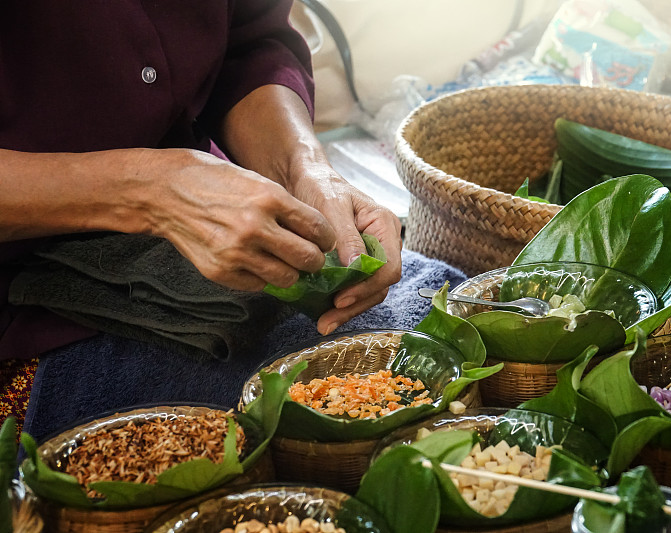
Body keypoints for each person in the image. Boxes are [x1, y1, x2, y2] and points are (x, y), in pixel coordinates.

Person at [0, 0, 403, 360]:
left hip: (206, 216)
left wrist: (303, 169)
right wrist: (148, 190)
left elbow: (249, 43)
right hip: (24, 305)